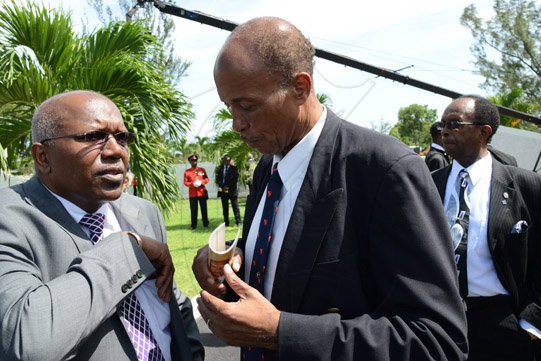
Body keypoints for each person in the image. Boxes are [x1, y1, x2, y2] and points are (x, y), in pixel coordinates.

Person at [192, 16, 468, 361]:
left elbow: (435, 340)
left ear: (300, 88)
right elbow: (286, 277)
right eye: (228, 106)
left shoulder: (383, 170)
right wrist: (229, 269)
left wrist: (281, 331)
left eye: (247, 106)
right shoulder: (268, 168)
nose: (236, 124)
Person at [0, 90, 203, 361]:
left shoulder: (143, 212)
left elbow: (172, 303)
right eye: (93, 137)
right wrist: (128, 249)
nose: (114, 151)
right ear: (43, 157)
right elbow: (28, 342)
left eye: (121, 138)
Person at [432, 95, 541, 361]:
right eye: (442, 124)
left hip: (504, 326)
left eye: (455, 124)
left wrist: (531, 326)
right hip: (440, 322)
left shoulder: (532, 188)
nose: (444, 131)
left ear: (483, 131)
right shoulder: (427, 185)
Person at [184, 154, 210, 229]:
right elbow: (185, 182)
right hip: (193, 194)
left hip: (202, 193)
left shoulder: (202, 170)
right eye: (192, 160)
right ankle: (193, 225)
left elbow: (207, 179)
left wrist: (201, 182)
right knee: (193, 210)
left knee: (204, 209)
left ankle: (206, 224)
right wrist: (193, 184)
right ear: (190, 162)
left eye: (195, 160)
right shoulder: (187, 172)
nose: (194, 162)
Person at [215, 154, 241, 227]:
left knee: (235, 206)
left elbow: (235, 179)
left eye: (228, 160)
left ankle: (238, 221)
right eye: (226, 160)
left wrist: (228, 185)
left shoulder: (234, 168)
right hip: (223, 190)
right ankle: (226, 222)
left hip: (232, 190)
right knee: (225, 207)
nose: (227, 161)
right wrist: (221, 184)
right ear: (223, 160)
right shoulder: (220, 168)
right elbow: (218, 179)